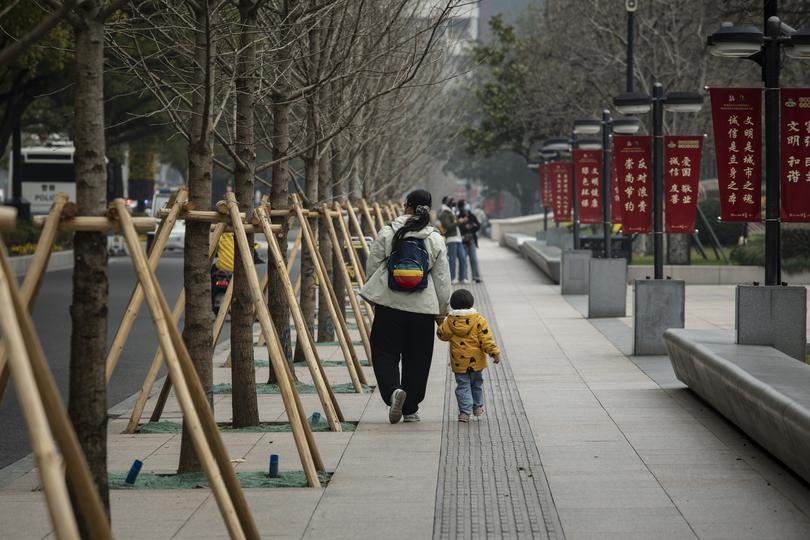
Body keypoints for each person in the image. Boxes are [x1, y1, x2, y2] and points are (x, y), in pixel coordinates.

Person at [360, 189, 451, 424]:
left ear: (406, 206)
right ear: (428, 209)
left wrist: (374, 292)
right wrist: (442, 311)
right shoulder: (434, 237)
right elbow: (442, 278)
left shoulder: (390, 231)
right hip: (422, 309)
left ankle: (393, 391)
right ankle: (410, 408)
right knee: (418, 358)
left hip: (389, 305)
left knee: (384, 352)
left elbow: (373, 264)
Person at [437, 288, 501, 423]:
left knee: (463, 385)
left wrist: (441, 322)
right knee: (477, 383)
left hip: (459, 362)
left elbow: (442, 335)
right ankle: (477, 406)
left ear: (452, 305)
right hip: (476, 362)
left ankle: (464, 412)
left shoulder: (449, 321)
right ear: (471, 303)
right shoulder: (478, 319)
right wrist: (494, 353)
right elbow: (486, 339)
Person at [439, 196, 468, 284]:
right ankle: (452, 278)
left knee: (463, 258)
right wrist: (459, 222)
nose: (453, 204)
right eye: (452, 202)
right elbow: (448, 226)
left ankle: (462, 278)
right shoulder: (444, 214)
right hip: (451, 238)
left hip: (458, 238)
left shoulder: (452, 212)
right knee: (452, 259)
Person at [457, 200, 482, 283]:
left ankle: (476, 277)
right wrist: (468, 226)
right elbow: (460, 228)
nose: (466, 206)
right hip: (462, 242)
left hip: (471, 241)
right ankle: (464, 277)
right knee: (463, 260)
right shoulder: (458, 216)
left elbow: (477, 225)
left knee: (474, 259)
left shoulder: (471, 216)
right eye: (465, 205)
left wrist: (470, 226)